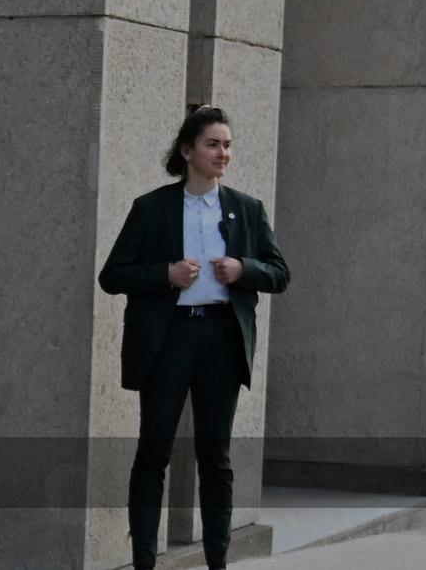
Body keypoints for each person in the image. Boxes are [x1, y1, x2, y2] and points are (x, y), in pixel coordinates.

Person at [98, 105, 289, 569]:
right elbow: (112, 275)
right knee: (153, 451)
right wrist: (165, 274)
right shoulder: (152, 208)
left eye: (227, 145)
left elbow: (280, 273)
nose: (222, 153)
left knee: (215, 456)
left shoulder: (246, 209)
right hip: (169, 339)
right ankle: (144, 561)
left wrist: (244, 269)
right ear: (187, 151)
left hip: (221, 338)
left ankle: (218, 561)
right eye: (212, 144)